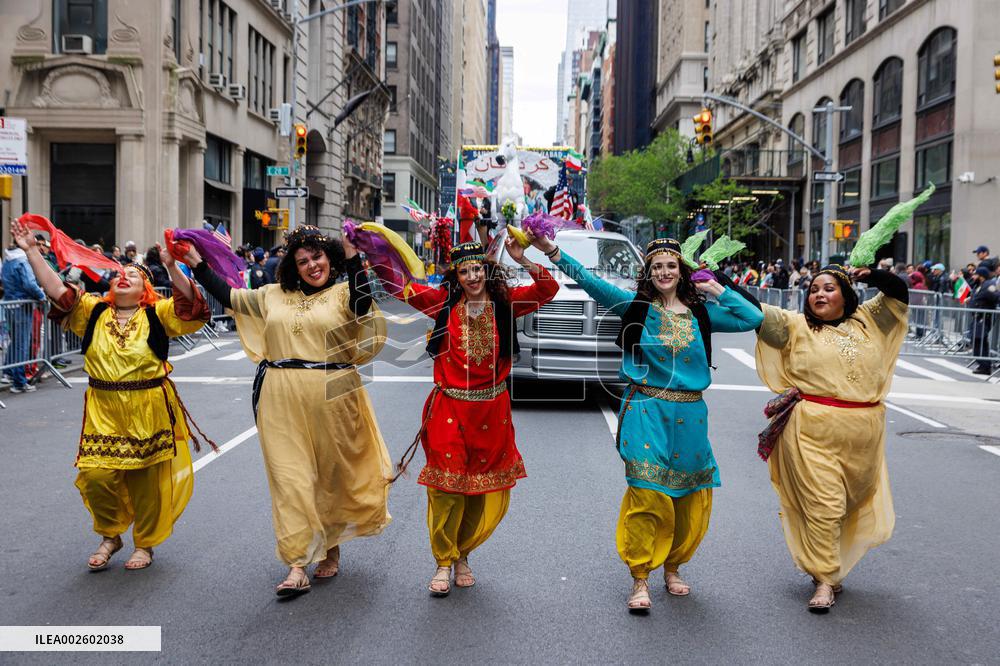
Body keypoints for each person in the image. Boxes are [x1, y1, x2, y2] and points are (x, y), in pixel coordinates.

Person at [540, 236, 763, 612]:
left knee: (687, 497)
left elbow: (751, 317)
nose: (664, 272)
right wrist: (551, 251)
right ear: (648, 273)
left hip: (690, 415)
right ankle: (640, 577)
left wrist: (716, 287)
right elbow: (592, 284)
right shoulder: (636, 308)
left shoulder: (701, 314)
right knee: (647, 491)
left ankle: (673, 568)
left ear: (681, 271)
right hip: (645, 407)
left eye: (671, 266)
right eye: (657, 266)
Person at [184, 225, 392, 597]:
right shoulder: (272, 296)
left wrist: (353, 255)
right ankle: (297, 563)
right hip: (280, 397)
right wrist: (197, 264)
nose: (312, 265)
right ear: (293, 267)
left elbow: (363, 305)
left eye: (317, 256)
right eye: (303, 261)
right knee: (290, 479)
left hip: (336, 395)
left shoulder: (346, 291)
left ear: (330, 257)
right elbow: (228, 296)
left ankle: (330, 546)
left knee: (330, 479)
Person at [10, 218, 212, 570]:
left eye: (133, 276)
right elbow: (57, 291)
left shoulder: (158, 314)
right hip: (103, 408)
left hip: (148, 406)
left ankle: (145, 544)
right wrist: (31, 251)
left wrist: (170, 266)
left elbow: (191, 307)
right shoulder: (92, 312)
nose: (124, 277)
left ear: (146, 289)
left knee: (147, 481)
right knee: (98, 476)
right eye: (119, 274)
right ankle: (111, 534)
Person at [373, 237, 558, 597]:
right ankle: (443, 561)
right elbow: (401, 288)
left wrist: (524, 258)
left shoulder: (506, 304)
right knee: (447, 487)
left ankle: (463, 556)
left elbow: (547, 288)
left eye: (478, 269)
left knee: (476, 490)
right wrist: (372, 249)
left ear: (487, 272)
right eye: (464, 271)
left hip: (492, 409)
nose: (472, 276)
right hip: (449, 408)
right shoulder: (443, 303)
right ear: (455, 277)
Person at [754, 264, 909, 612]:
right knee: (825, 505)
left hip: (864, 435)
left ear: (846, 294)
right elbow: (752, 311)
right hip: (811, 431)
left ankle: (824, 563)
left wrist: (872, 275)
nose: (819, 295)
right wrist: (719, 281)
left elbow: (899, 293)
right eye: (813, 290)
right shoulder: (795, 326)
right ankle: (825, 580)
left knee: (846, 506)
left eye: (828, 288)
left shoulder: (870, 320)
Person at [2, 243, 46, 393]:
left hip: (10, 305)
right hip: (22, 306)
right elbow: (29, 283)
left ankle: (9, 373)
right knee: (22, 345)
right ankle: (19, 382)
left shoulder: (7, 261)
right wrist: (41, 296)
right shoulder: (22, 261)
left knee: (15, 343)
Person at [967, 266, 999, 375]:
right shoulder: (979, 285)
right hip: (977, 317)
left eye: (976, 275)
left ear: (981, 276)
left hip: (983, 318)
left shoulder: (989, 286)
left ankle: (985, 366)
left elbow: (996, 297)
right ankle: (983, 365)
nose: (973, 276)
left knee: (979, 341)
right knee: (977, 341)